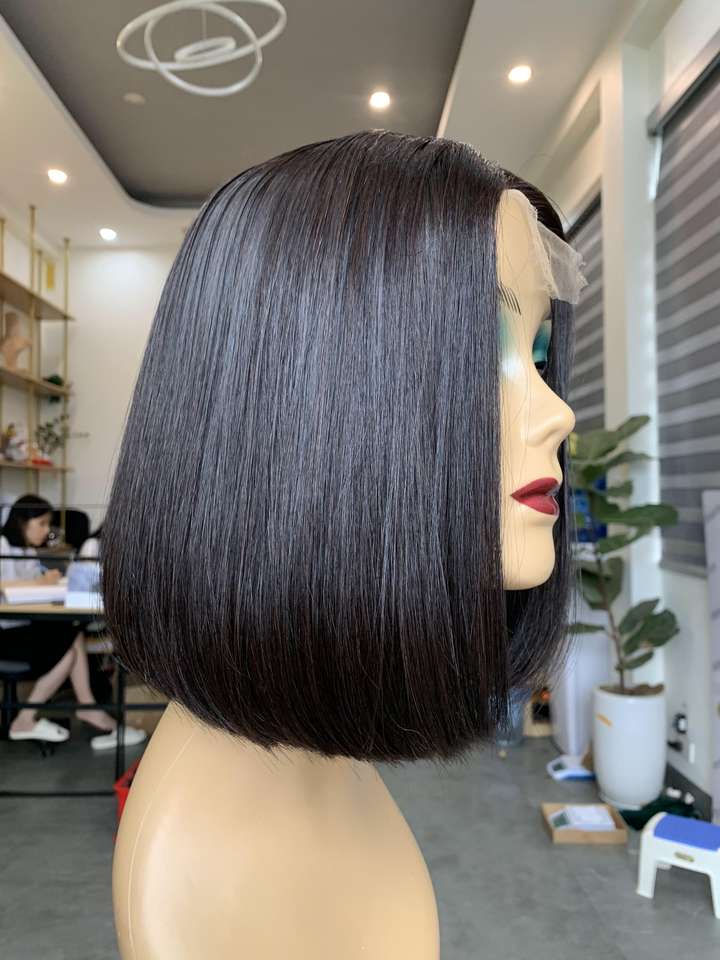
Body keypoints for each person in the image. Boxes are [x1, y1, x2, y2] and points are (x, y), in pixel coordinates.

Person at [104, 131, 586, 959]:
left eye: (537, 355)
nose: (559, 412)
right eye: (481, 351)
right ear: (311, 399)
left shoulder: (324, 760)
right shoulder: (209, 885)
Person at [0, 495, 145, 749]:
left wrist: (47, 580)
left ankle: (86, 707)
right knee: (69, 649)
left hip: (24, 626)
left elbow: (35, 583)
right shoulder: (2, 545)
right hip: (7, 632)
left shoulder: (27, 550)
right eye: (41, 524)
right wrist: (38, 583)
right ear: (22, 522)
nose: (46, 530)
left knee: (73, 634)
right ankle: (28, 719)